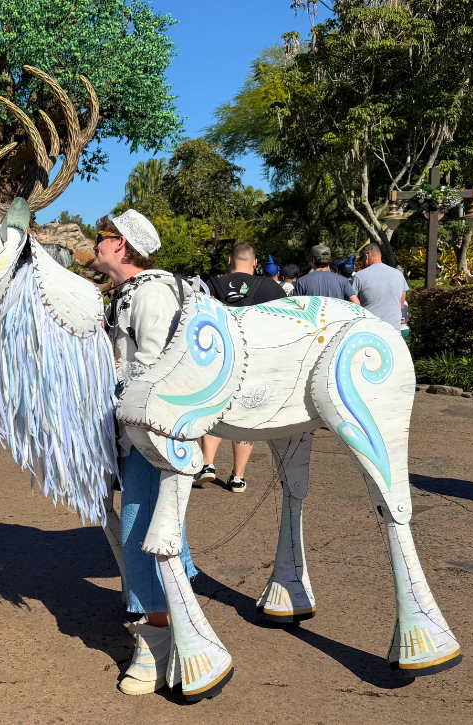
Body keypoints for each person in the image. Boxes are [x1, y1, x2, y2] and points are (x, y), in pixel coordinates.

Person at [91, 209, 197, 696]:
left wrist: (113, 392)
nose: (96, 243)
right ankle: (176, 621)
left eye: (103, 236)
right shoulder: (131, 292)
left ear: (122, 245)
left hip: (151, 433)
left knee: (142, 527)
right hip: (136, 431)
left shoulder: (152, 293)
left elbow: (157, 369)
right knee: (156, 524)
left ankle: (158, 638)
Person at [200, 243, 285, 494]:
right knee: (245, 416)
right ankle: (237, 477)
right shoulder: (271, 288)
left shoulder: (209, 286)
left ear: (229, 261)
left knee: (214, 411)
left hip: (217, 362)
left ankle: (207, 464)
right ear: (255, 263)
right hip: (253, 362)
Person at [352, 242, 409, 335]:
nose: (361, 262)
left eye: (361, 259)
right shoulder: (399, 274)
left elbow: (353, 306)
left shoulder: (359, 276)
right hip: (394, 330)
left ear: (366, 256)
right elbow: (401, 305)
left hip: (370, 331)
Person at [293, 245, 359, 303]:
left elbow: (296, 305)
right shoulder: (343, 280)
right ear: (329, 261)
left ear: (313, 260)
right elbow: (356, 303)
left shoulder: (302, 281)